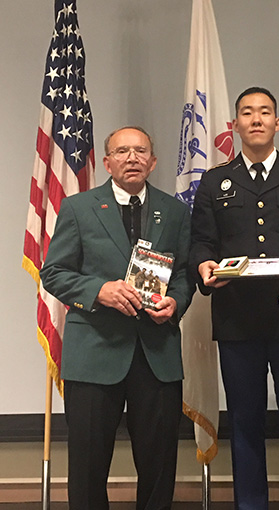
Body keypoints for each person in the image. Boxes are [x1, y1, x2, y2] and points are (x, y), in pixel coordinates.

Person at [190, 87, 279, 510]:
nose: (256, 119)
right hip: (237, 322)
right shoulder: (216, 180)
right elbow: (201, 241)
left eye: (265, 112)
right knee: (246, 426)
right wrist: (203, 266)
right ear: (234, 123)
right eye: (247, 113)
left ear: (278, 122)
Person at [40, 126, 195, 510]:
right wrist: (98, 291)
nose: (132, 158)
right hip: (95, 354)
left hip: (156, 354)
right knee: (88, 467)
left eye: (140, 151)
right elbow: (55, 273)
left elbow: (184, 274)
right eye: (122, 151)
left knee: (159, 466)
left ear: (153, 161)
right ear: (107, 162)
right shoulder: (79, 208)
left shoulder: (174, 211)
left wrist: (175, 302)